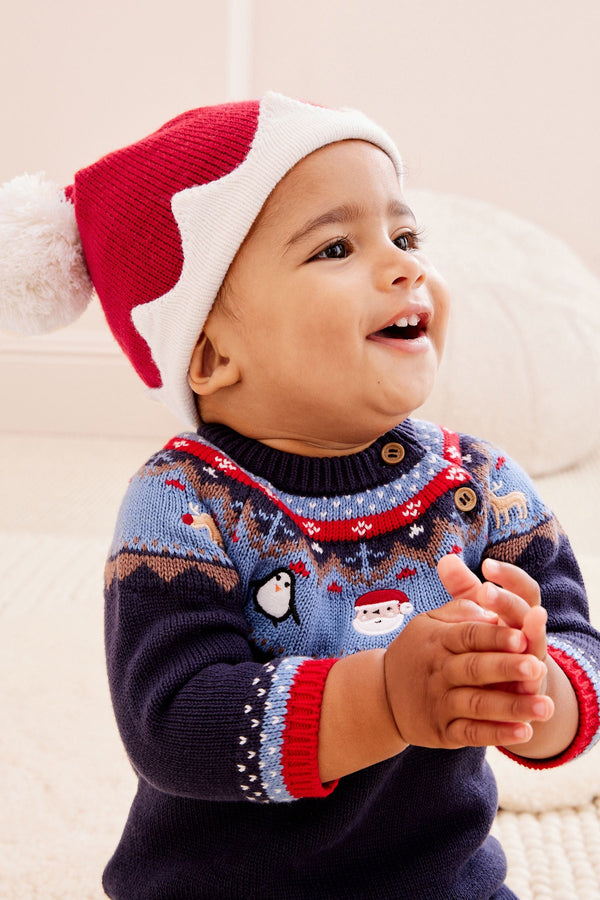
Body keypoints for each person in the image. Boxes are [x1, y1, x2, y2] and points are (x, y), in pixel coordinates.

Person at [1, 92, 599, 900]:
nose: (404, 264)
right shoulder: (184, 502)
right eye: (336, 248)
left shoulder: (482, 485)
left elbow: (578, 653)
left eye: (406, 234)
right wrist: (384, 698)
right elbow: (172, 722)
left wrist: (531, 684)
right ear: (209, 355)